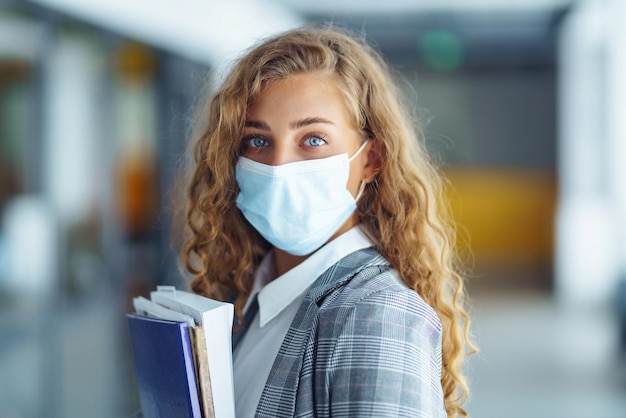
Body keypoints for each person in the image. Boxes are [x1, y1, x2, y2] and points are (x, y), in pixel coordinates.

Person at [182, 26, 475, 417]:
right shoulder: (252, 299)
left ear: (371, 161)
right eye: (257, 140)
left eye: (313, 139)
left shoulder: (375, 314)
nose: (280, 166)